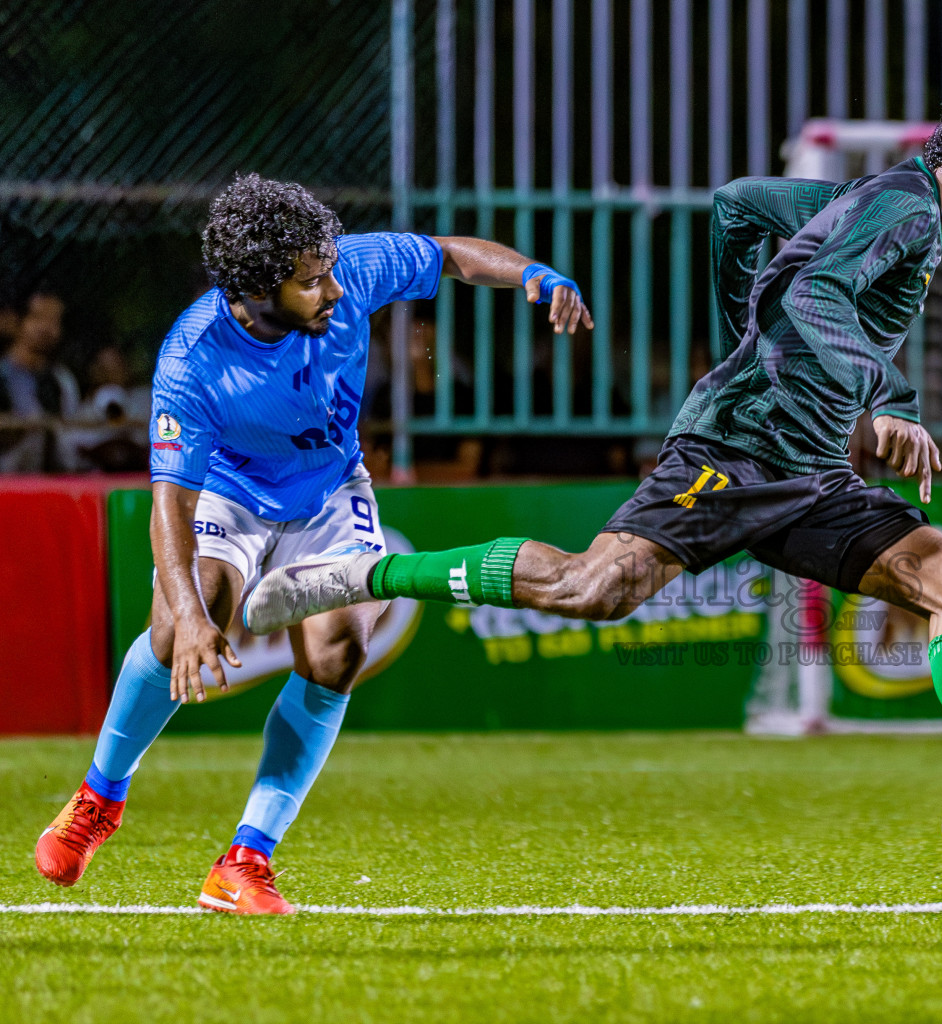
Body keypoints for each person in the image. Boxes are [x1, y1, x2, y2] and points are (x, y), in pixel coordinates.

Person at [245, 84, 942, 866]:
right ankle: (361, 575)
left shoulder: (871, 200)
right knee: (595, 589)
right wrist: (893, 397)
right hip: (735, 450)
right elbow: (815, 300)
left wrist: (745, 334)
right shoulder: (905, 214)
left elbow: (737, 206)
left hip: (811, 468)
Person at [33, 173, 592, 914]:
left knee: (338, 651)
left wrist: (532, 273)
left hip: (331, 489)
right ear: (258, 288)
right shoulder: (192, 360)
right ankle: (100, 798)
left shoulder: (346, 268)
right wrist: (196, 613)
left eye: (328, 269)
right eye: (309, 281)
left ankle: (245, 860)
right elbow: (169, 501)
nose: (332, 289)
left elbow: (452, 255)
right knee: (176, 628)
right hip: (231, 493)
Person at [0, 288, 81, 472]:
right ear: (16, 321)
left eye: (54, 321)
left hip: (48, 486)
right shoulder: (3, 375)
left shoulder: (61, 380)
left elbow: (70, 438)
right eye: (37, 318)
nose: (46, 328)